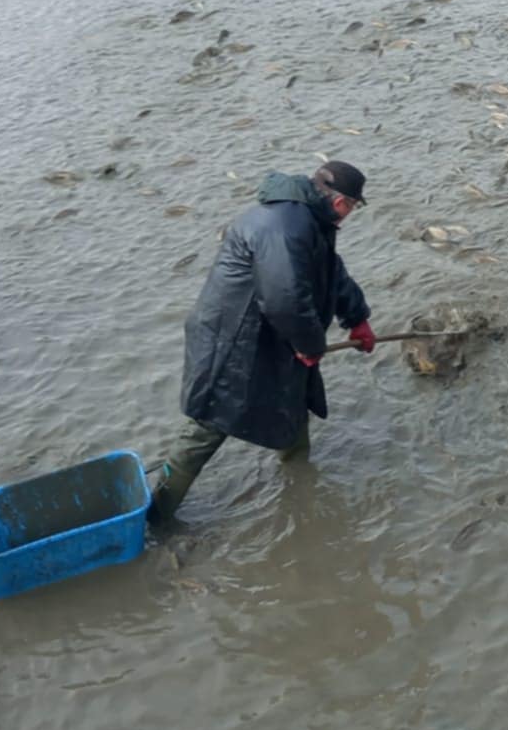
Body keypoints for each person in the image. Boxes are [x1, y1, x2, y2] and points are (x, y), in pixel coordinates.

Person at [149, 161, 376, 524]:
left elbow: (330, 273)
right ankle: (156, 517)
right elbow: (285, 298)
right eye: (353, 207)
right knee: (207, 426)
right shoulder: (285, 226)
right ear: (341, 203)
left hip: (270, 334)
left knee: (293, 404)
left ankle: (300, 489)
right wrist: (309, 345)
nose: (349, 215)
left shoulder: (309, 220)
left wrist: (357, 318)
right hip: (231, 342)